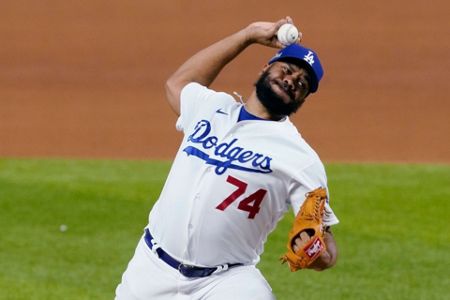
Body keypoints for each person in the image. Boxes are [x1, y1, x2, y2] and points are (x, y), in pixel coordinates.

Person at [115, 17, 339, 300]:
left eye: (302, 83)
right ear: (266, 68)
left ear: (302, 99)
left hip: (227, 282)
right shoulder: (211, 108)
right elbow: (178, 83)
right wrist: (247, 36)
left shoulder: (301, 159)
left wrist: (319, 254)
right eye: (287, 69)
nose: (292, 80)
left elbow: (326, 243)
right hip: (151, 269)